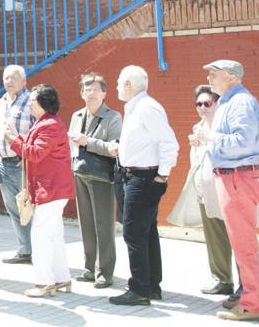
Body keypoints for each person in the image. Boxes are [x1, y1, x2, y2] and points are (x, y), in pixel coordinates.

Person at [197, 59, 259, 322]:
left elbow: (242, 141)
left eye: (213, 73)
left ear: (231, 76)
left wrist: (210, 138)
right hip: (233, 177)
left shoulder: (240, 102)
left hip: (239, 177)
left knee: (244, 245)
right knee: (241, 243)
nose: (209, 77)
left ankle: (251, 305)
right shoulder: (229, 100)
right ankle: (251, 298)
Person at [110, 65, 177, 306]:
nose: (117, 86)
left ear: (128, 84)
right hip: (132, 175)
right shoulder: (135, 108)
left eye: (119, 82)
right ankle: (151, 285)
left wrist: (162, 176)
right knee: (146, 232)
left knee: (134, 233)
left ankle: (139, 289)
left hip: (143, 178)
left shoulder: (147, 108)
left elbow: (169, 143)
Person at [8, 84, 75, 297]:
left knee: (41, 235)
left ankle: (44, 283)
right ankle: (61, 278)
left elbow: (35, 153)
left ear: (44, 103)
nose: (29, 104)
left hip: (51, 188)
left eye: (33, 101)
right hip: (53, 189)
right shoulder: (48, 123)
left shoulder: (49, 125)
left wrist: (13, 140)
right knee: (54, 235)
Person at [177, 85, 237, 298]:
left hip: (227, 190)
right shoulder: (197, 128)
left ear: (217, 104)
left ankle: (245, 283)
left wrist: (206, 140)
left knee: (236, 237)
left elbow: (229, 153)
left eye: (207, 103)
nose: (202, 108)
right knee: (214, 237)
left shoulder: (224, 128)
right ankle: (222, 279)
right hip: (206, 191)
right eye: (198, 104)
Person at [66, 72, 121, 288]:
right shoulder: (77, 116)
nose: (90, 94)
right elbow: (72, 145)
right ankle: (89, 268)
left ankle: (105, 272)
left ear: (104, 93)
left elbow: (113, 148)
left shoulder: (113, 117)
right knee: (86, 224)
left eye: (95, 90)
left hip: (101, 176)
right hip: (80, 172)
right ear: (81, 93)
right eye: (86, 90)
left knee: (103, 225)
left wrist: (87, 142)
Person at [0, 64, 34, 264]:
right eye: (5, 78)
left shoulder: (31, 100)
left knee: (29, 207)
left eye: (13, 78)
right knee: (13, 208)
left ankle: (38, 249)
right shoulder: (2, 102)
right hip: (3, 163)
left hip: (22, 164)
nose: (8, 81)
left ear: (24, 81)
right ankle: (25, 249)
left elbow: (39, 130)